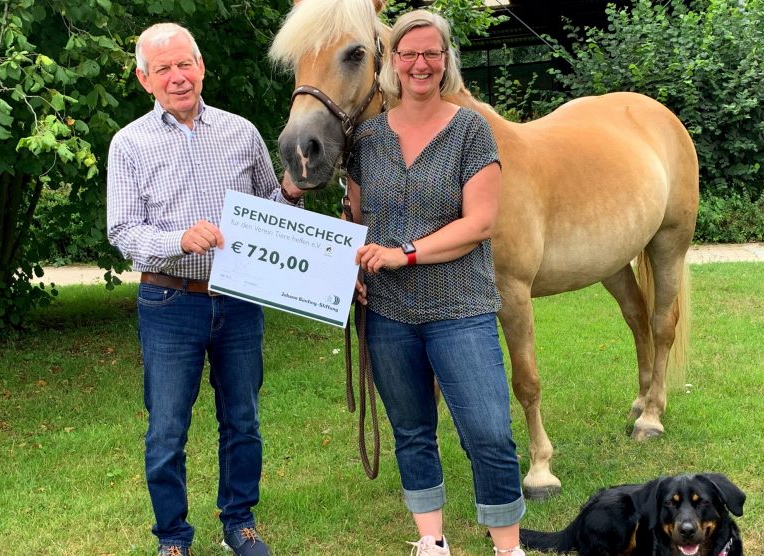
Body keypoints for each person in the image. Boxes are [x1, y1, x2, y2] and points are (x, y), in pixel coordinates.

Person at [106, 22, 302, 556]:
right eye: (163, 68)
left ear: (201, 68)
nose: (177, 76)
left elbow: (276, 210)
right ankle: (173, 536)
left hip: (239, 302)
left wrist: (292, 190)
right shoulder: (129, 144)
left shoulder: (241, 132)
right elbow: (123, 231)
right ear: (145, 80)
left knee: (242, 420)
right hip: (169, 302)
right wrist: (180, 239)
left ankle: (239, 521)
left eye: (184, 64)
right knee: (167, 430)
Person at [346, 10, 526, 556]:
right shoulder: (367, 137)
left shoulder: (470, 129)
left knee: (489, 434)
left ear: (446, 60)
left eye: (431, 53)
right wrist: (349, 270)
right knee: (412, 431)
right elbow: (355, 221)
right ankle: (432, 541)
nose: (420, 63)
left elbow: (480, 223)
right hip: (388, 315)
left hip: (460, 309)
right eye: (408, 53)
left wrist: (406, 253)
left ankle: (506, 546)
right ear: (392, 63)